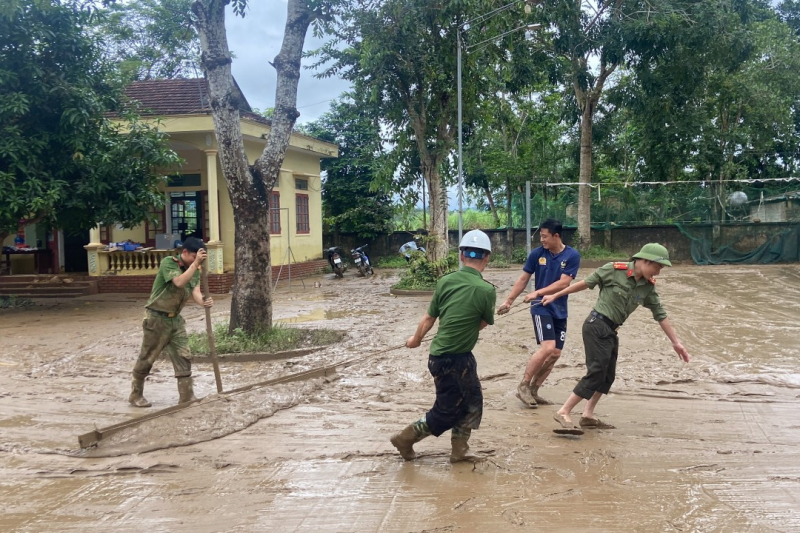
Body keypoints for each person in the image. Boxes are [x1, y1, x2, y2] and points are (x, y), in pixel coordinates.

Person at [541, 243, 690, 435]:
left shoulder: (647, 287)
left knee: (608, 376)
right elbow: (585, 284)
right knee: (596, 372)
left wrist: (676, 342)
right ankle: (564, 411)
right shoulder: (613, 269)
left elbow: (660, 314)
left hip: (611, 331)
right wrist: (555, 295)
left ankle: (587, 415)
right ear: (644, 261)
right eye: (657, 267)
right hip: (596, 325)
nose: (658, 273)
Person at [390, 230, 496, 463]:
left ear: (461, 255)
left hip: (444, 357)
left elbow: (429, 319)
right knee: (447, 411)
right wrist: (466, 330)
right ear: (487, 258)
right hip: (454, 360)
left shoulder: (445, 281)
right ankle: (405, 438)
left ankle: (460, 450)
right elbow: (483, 323)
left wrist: (415, 340)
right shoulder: (487, 290)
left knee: (472, 401)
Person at [497, 219, 581, 408]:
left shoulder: (572, 255)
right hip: (540, 307)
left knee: (555, 354)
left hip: (559, 309)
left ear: (556, 236)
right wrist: (509, 300)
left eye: (544, 236)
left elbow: (564, 283)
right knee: (548, 347)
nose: (541, 240)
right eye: (541, 236)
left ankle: (534, 389)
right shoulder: (537, 254)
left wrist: (537, 292)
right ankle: (524, 385)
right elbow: (523, 278)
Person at [128, 236, 214, 407]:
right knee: (147, 357)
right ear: (184, 252)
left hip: (175, 319)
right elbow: (180, 282)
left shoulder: (195, 270)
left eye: (199, 258)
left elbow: (195, 290)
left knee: (184, 356)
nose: (196, 261)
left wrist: (203, 301)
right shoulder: (169, 262)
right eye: (193, 257)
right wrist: (195, 264)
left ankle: (186, 397)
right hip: (156, 318)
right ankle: (135, 394)